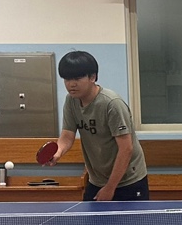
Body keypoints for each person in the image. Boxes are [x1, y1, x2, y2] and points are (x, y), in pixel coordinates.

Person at [48, 50, 150, 202]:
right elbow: (67, 135)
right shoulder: (71, 101)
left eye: (77, 78)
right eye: (67, 79)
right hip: (97, 180)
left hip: (129, 180)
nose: (71, 84)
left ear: (93, 77)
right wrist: (58, 152)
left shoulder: (112, 104)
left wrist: (110, 188)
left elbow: (126, 148)